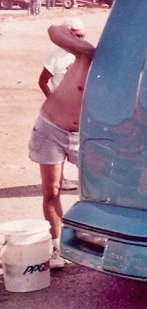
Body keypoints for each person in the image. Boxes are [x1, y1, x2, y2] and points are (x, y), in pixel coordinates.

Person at [28, 21, 97, 268]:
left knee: (100, 191)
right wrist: (81, 44)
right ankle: (57, 248)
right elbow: (53, 30)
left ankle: (92, 245)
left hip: (85, 136)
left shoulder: (119, 71)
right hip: (51, 128)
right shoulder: (85, 55)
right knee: (52, 191)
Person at [38, 19, 86, 191]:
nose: (81, 38)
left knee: (82, 145)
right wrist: (52, 101)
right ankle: (62, 179)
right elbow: (42, 81)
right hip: (61, 110)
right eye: (77, 35)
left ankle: (87, 182)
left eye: (82, 35)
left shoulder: (86, 54)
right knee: (59, 144)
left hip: (80, 109)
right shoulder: (56, 56)